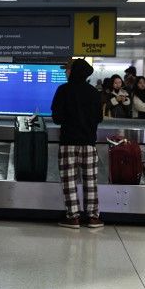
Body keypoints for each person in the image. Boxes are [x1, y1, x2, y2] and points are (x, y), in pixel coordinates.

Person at [51, 59, 104, 229]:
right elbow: (99, 118)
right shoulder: (94, 93)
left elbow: (57, 118)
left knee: (69, 181)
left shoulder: (63, 90)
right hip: (88, 143)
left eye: (67, 69)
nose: (65, 72)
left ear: (73, 71)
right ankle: (93, 217)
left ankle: (73, 217)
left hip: (68, 142)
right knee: (90, 180)